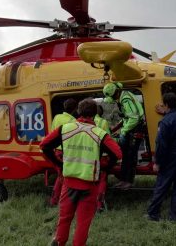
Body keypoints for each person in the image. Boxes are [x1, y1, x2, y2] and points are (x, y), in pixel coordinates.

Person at [40, 98, 122, 246]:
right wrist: (104, 167)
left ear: (79, 111)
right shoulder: (99, 133)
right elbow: (117, 154)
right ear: (95, 113)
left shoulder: (65, 128)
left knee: (64, 217)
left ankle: (59, 242)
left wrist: (59, 164)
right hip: (90, 185)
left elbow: (44, 145)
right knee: (83, 223)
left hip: (69, 182)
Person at [147, 92, 176, 221]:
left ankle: (153, 214)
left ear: (166, 105)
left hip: (171, 158)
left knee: (162, 185)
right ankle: (175, 216)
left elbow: (161, 145)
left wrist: (157, 162)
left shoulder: (165, 122)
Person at [103, 82, 144, 189]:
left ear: (115, 94)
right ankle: (123, 180)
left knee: (130, 156)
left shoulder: (125, 99)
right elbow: (127, 117)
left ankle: (128, 181)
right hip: (131, 128)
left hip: (135, 129)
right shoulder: (124, 96)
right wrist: (117, 128)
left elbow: (134, 118)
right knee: (126, 155)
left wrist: (123, 131)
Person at [49, 98, 78, 206]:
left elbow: (52, 132)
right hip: (65, 152)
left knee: (62, 175)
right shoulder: (73, 122)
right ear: (75, 109)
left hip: (56, 150)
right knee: (62, 176)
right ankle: (54, 200)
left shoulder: (57, 117)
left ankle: (60, 199)